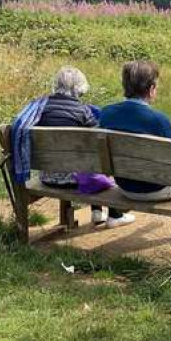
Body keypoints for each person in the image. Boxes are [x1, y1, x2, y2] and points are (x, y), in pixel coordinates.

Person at [98, 60, 171, 241]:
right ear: (151, 88)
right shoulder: (159, 120)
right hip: (157, 190)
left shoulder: (107, 113)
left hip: (125, 187)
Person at [36, 67, 133, 228]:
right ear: (79, 88)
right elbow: (98, 140)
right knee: (98, 158)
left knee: (86, 160)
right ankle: (115, 215)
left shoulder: (39, 108)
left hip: (46, 177)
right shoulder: (82, 111)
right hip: (74, 180)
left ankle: (96, 212)